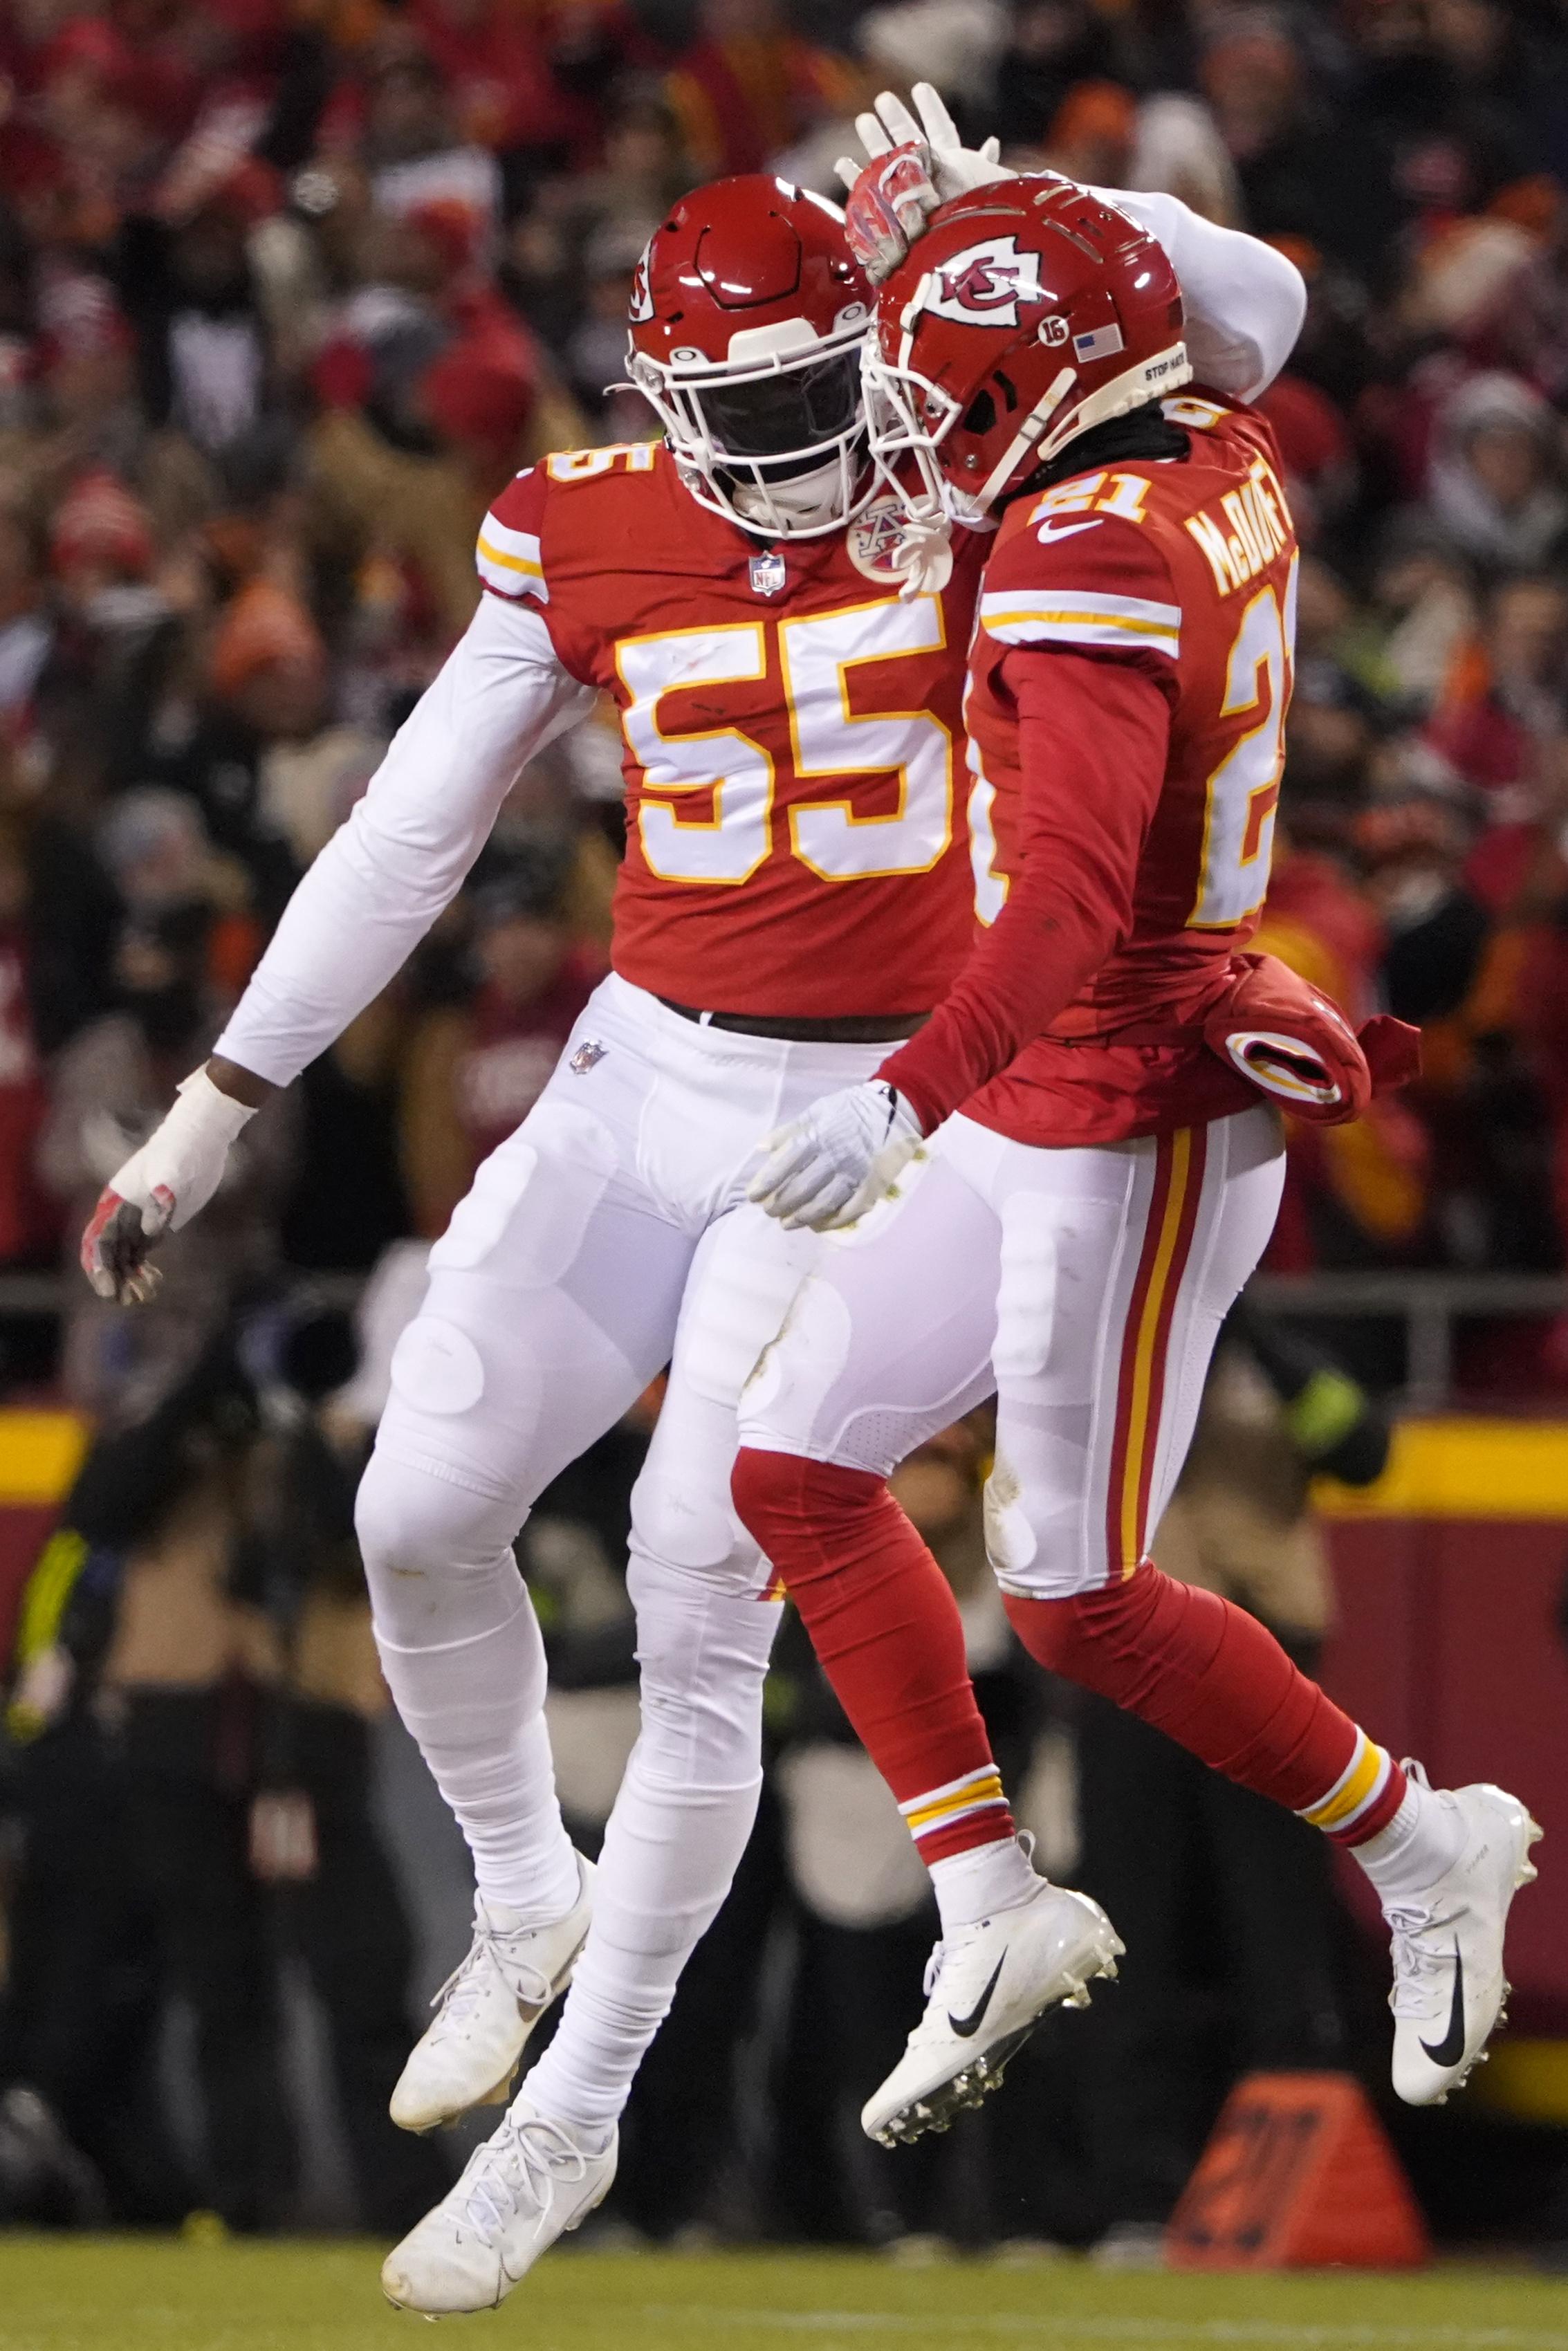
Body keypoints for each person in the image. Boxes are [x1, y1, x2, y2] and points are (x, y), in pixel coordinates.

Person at [75, 111, 1304, 2310]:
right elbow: (407, 827)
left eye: (821, 398)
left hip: (878, 1105)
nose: (787, 454)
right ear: (654, 396)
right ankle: (519, 1896)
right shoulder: (586, 523)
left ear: (886, 348)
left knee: (693, 1573)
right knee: (416, 1508)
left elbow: (1260, 317)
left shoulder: (991, 481)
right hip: (640, 1064)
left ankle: (580, 2113)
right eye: (730, 413)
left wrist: (1095, 220)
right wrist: (211, 1109)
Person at [730, 165, 1540, 2158]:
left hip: (1127, 1095)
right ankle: (992, 1901)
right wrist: (1005, 210)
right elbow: (1236, 280)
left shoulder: (1082, 550)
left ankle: (1429, 1839)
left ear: (1048, 378)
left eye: (944, 397)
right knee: (794, 1466)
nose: (915, 446)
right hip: (1060, 1076)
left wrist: (902, 1090)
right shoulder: (1214, 424)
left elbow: (1073, 897)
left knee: (1073, 1591)